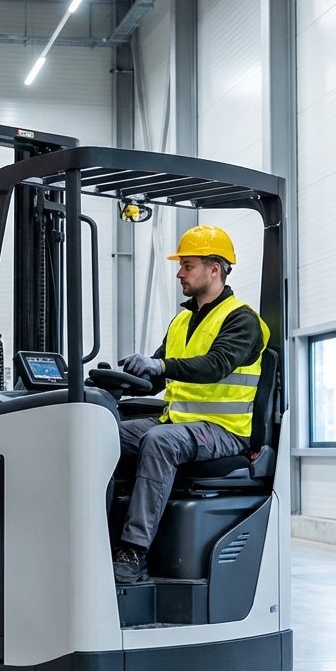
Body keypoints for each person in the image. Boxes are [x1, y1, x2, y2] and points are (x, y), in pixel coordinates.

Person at [111, 225, 269, 584]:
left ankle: (134, 552)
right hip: (180, 422)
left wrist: (161, 366)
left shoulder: (242, 319)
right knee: (104, 434)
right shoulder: (182, 319)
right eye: (181, 265)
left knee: (160, 442)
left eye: (188, 265)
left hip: (226, 432)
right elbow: (158, 375)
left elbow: (215, 366)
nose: (180, 273)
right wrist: (121, 379)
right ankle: (94, 533)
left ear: (215, 268)